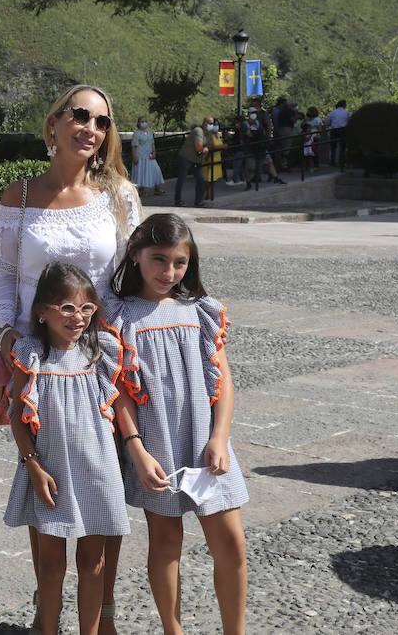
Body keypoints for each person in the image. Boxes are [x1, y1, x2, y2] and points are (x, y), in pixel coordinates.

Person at [0, 84, 140, 632]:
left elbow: (127, 279)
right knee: (44, 478)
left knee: (106, 481)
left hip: (99, 361)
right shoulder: (19, 197)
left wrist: (121, 348)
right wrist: (6, 343)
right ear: (52, 123)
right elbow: (6, 276)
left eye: (101, 121)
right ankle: (44, 605)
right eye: (79, 116)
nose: (90, 128)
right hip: (36, 357)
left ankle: (104, 610)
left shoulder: (120, 195)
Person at [108, 213, 249, 635]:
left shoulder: (199, 311)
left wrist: (220, 438)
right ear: (134, 255)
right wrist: (136, 449)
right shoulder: (120, 318)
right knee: (166, 543)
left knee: (232, 544)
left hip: (209, 445)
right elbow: (119, 391)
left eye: (180, 262)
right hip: (156, 444)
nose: (169, 272)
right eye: (159, 260)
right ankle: (174, 630)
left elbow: (223, 381)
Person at [4, 263, 130, 635]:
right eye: (67, 308)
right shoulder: (31, 356)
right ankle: (48, 628)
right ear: (42, 312)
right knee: (50, 565)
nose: (78, 317)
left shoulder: (100, 352)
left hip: (97, 471)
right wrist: (32, 465)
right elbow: (17, 416)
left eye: (86, 308)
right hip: (51, 474)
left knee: (93, 562)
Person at [174, 117, 208, 208]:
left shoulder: (207, 133)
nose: (213, 126)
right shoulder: (198, 131)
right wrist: (204, 149)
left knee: (201, 179)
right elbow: (198, 148)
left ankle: (198, 201)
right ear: (205, 123)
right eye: (210, 123)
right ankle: (178, 200)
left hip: (196, 160)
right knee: (182, 179)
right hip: (186, 158)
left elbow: (212, 145)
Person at [130, 115, 165, 196]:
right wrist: (134, 156)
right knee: (141, 173)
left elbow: (152, 143)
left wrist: (154, 152)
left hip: (149, 156)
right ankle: (140, 190)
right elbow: (133, 146)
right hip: (140, 156)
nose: (144, 123)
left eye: (145, 121)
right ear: (139, 123)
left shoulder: (150, 132)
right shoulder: (137, 133)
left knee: (156, 170)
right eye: (142, 122)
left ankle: (157, 188)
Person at [202, 117, 226, 202]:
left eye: (217, 125)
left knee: (213, 179)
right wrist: (223, 146)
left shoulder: (218, 135)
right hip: (209, 159)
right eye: (214, 125)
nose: (216, 126)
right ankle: (204, 195)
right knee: (208, 179)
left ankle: (207, 194)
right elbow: (212, 146)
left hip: (217, 159)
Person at [323, 100, 350, 167]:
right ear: (344, 105)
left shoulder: (333, 112)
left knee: (333, 147)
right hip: (343, 130)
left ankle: (332, 161)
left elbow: (327, 122)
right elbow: (349, 121)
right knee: (342, 147)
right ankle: (341, 162)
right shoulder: (346, 112)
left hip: (334, 130)